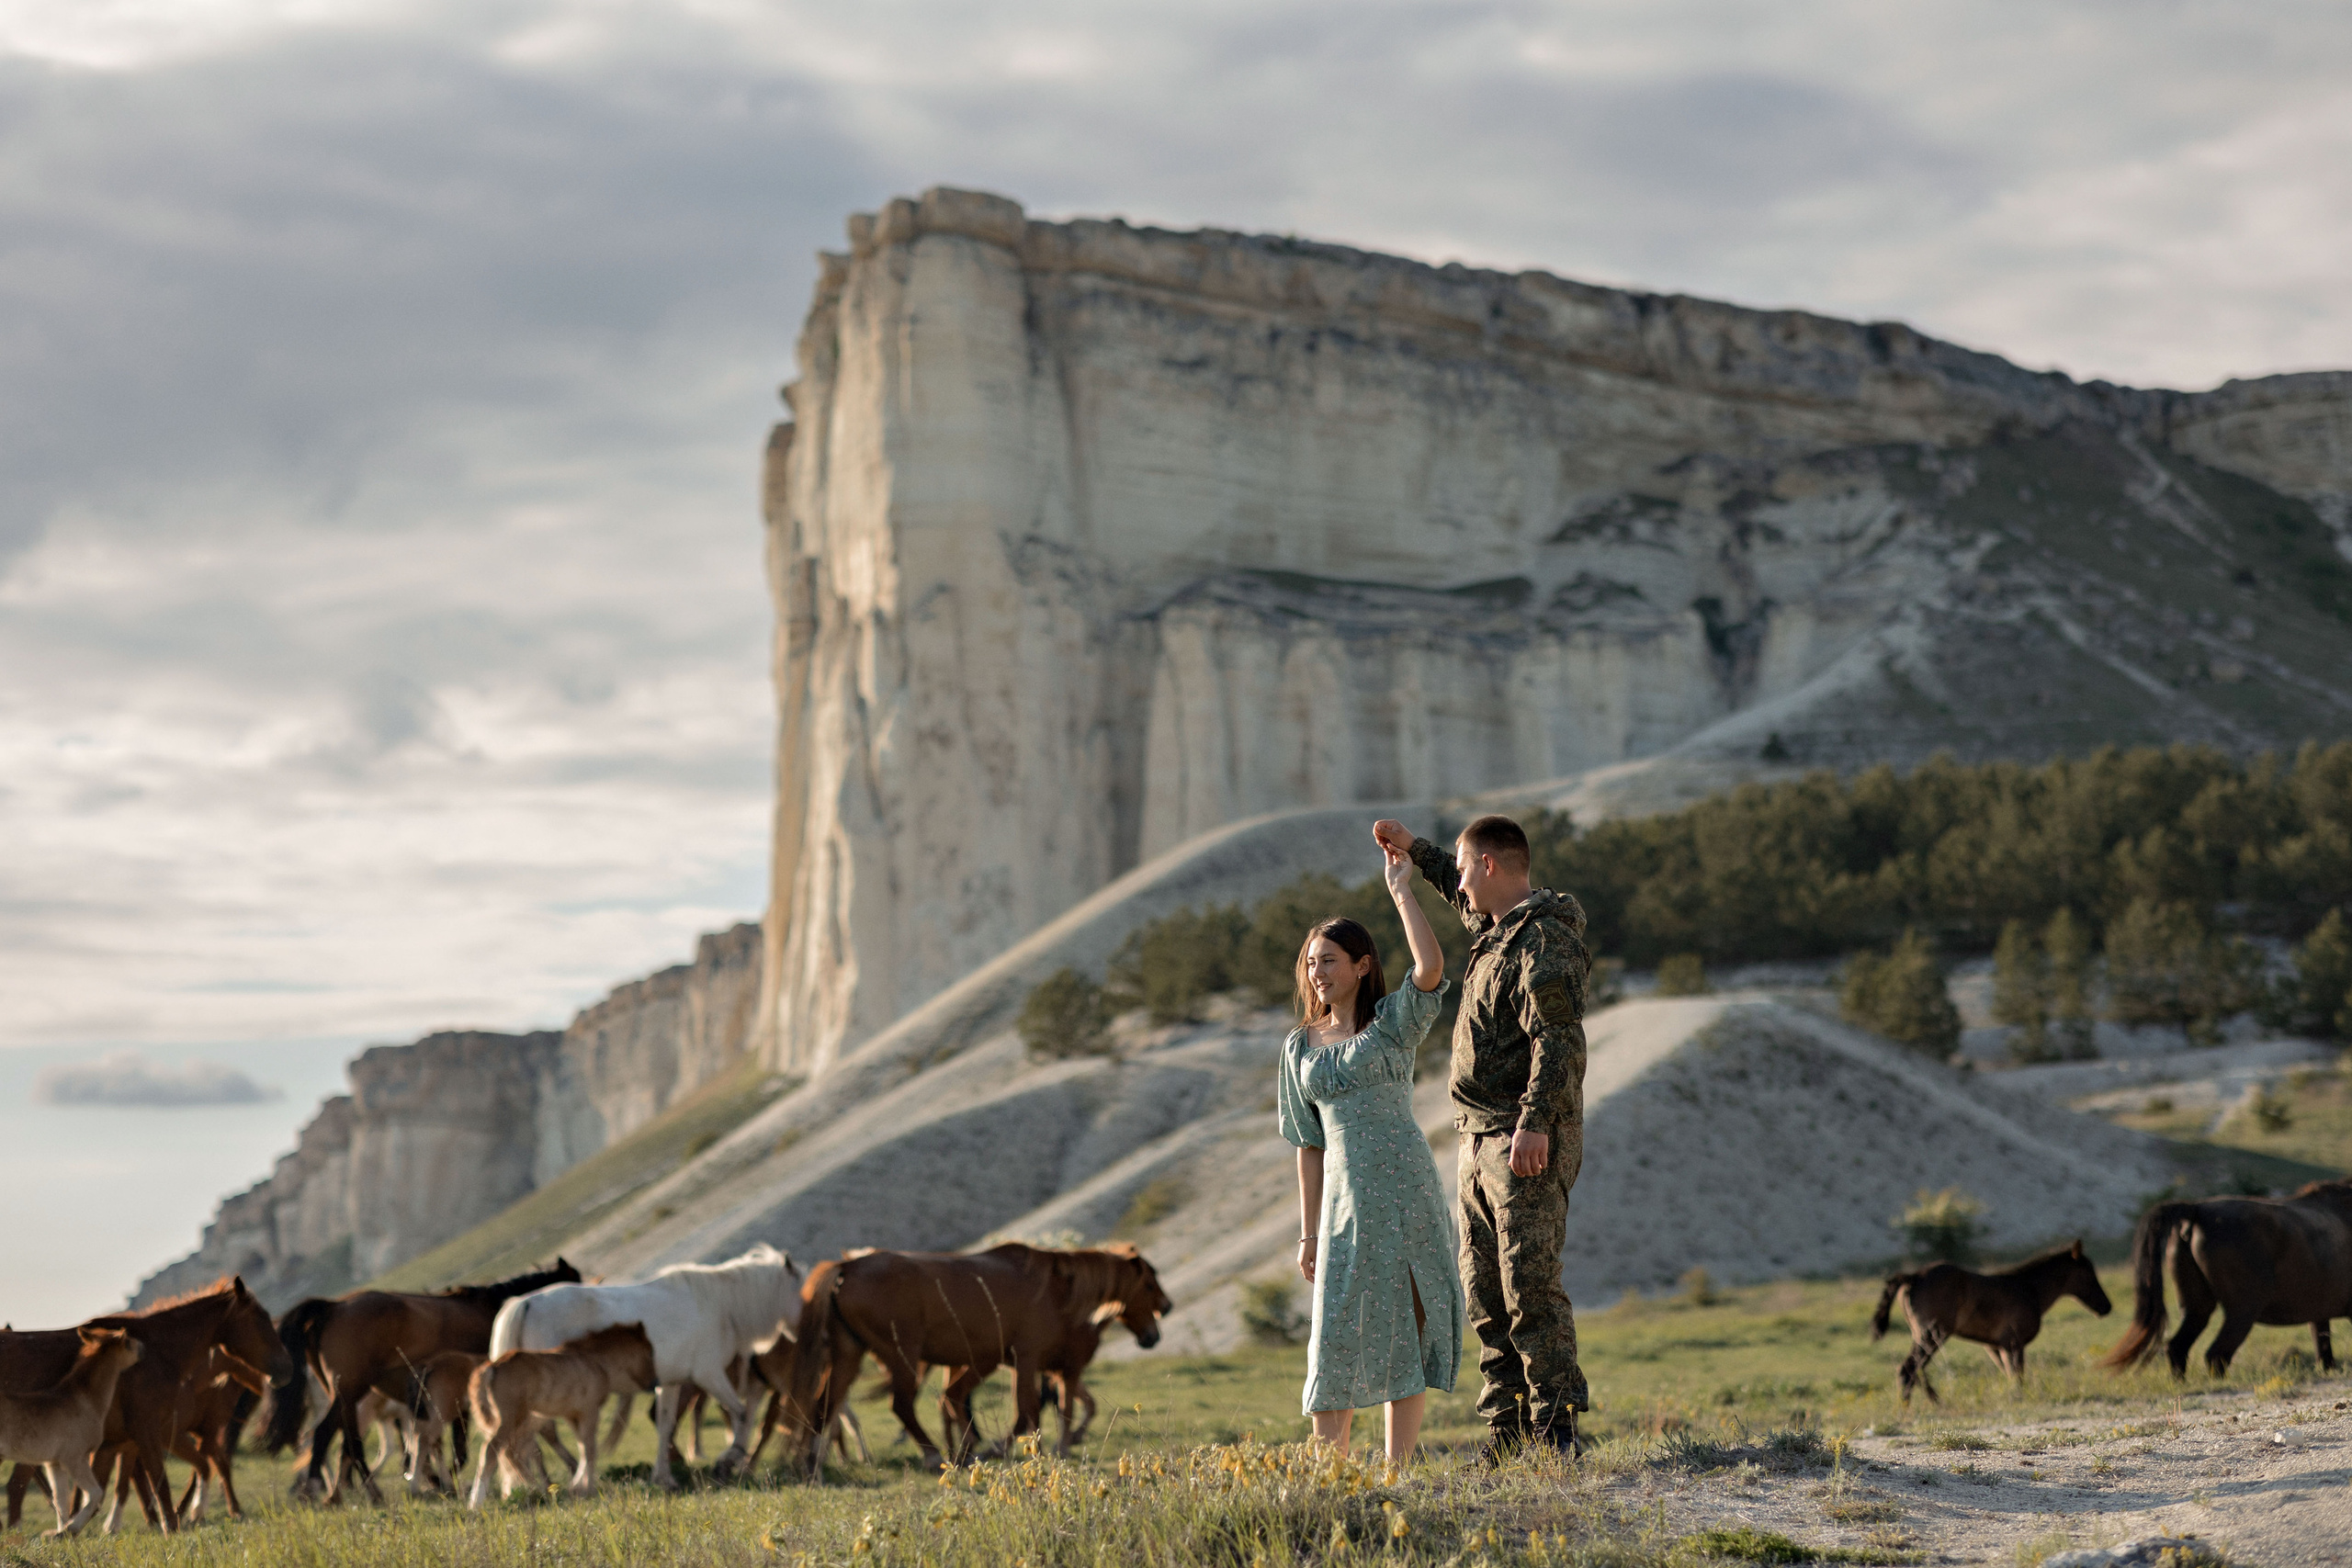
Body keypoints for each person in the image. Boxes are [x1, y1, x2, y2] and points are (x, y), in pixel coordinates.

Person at [1372, 813, 1590, 1463]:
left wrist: (1535, 1122)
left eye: (1467, 869)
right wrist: (1416, 851)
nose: (1459, 884)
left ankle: (1554, 1432)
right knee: (1486, 1291)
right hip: (1478, 1139)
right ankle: (1507, 1430)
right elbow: (1453, 888)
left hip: (1520, 1136)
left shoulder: (1542, 939)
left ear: (1492, 865)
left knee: (1529, 1285)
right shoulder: (1498, 932)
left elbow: (1559, 1039)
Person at [1275, 836, 1464, 1466]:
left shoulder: (1392, 1023)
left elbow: (1431, 969)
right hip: (1340, 1204)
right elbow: (1307, 1143)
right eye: (1309, 963)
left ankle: (1397, 1472)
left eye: (1328, 960)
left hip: (1405, 1188)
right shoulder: (1298, 1047)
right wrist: (1307, 1234)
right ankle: (1330, 1475)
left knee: (1402, 1330)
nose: (1317, 973)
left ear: (1360, 965)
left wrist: (1402, 891)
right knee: (1335, 1334)